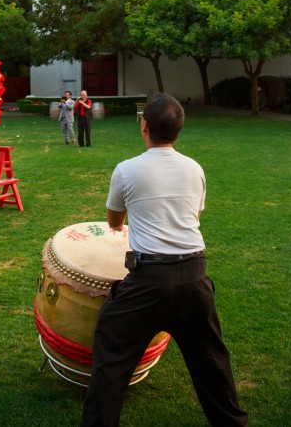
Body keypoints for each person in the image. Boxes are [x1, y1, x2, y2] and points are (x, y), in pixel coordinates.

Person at [81, 94, 248, 427]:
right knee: (212, 363)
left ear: (144, 126)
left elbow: (114, 221)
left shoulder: (126, 170)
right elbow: (193, 216)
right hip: (194, 277)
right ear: (178, 129)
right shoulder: (195, 169)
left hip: (148, 280)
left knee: (111, 358)